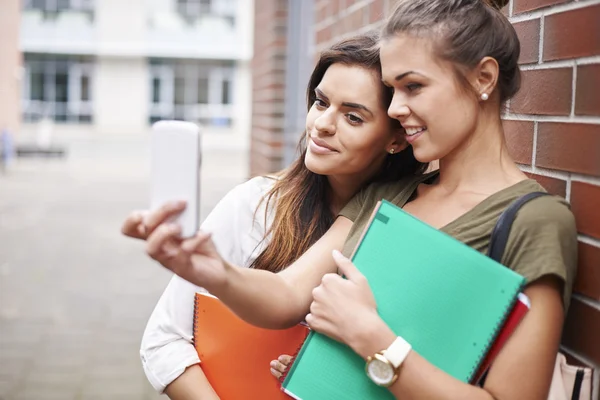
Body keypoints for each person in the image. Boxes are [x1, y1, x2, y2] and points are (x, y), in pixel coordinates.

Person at [140, 0, 578, 398]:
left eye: (413, 87)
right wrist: (214, 272)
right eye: (392, 89)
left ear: (483, 78)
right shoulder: (390, 194)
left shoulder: (535, 220)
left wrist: (370, 339)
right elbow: (284, 295)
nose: (394, 108)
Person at [122, 33, 426, 398]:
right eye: (320, 102)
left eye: (352, 116)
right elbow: (163, 341)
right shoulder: (255, 204)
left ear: (396, 138)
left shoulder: (409, 221)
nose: (322, 124)